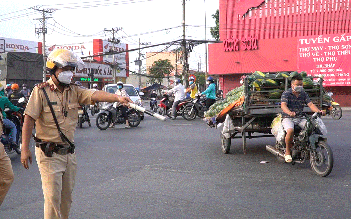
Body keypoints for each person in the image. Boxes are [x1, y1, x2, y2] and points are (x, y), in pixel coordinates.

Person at [20, 49, 132, 219]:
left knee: (66, 200)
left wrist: (117, 98)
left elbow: (94, 94)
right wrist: (24, 149)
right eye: (65, 69)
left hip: (69, 154)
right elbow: (28, 119)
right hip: (49, 154)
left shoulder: (74, 90)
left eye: (71, 69)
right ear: (53, 70)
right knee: (52, 200)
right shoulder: (41, 91)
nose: (69, 73)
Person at [281, 74, 325, 163]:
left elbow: (310, 104)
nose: (300, 86)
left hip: (300, 117)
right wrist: (289, 112)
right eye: (298, 85)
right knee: (290, 131)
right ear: (292, 85)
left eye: (301, 84)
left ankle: (308, 147)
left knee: (312, 127)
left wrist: (318, 111)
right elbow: (283, 105)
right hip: (288, 117)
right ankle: (287, 152)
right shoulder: (286, 93)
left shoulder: (303, 94)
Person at [0, 85, 15, 207]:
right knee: (14, 127)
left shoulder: (6, 96)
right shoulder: (4, 97)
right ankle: (13, 140)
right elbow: (12, 107)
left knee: (8, 176)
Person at [0, 84, 21, 149]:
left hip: (7, 111)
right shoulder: (4, 98)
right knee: (13, 126)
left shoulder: (9, 95)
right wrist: (19, 109)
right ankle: (13, 142)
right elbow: (12, 107)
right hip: (2, 118)